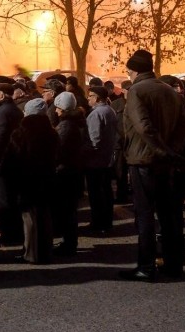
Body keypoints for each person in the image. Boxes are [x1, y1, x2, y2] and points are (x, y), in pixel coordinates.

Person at [120, 49, 185, 281]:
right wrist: (173, 150)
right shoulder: (170, 91)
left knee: (145, 215)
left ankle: (146, 266)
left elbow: (143, 127)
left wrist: (163, 151)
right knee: (169, 213)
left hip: (144, 161)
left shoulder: (136, 92)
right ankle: (173, 264)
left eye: (128, 71)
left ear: (133, 70)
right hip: (166, 162)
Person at [1, 99, 58, 264]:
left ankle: (31, 253)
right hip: (46, 178)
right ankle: (46, 251)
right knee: (45, 215)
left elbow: (11, 158)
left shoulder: (21, 132)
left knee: (29, 217)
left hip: (26, 179)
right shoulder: (51, 132)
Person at [52, 92, 89, 256]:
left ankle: (69, 244)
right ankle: (69, 242)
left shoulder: (66, 126)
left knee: (67, 211)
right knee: (69, 210)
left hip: (66, 172)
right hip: (73, 171)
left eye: (58, 108)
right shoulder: (75, 122)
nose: (55, 111)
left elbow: (59, 150)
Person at [0, 82, 24, 245]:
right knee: (13, 198)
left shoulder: (2, 111)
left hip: (3, 162)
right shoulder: (15, 109)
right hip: (14, 159)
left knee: (4, 200)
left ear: (2, 95)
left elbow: (1, 135)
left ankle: (9, 235)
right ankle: (16, 232)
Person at [85, 86, 118, 232]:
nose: (88, 99)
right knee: (106, 192)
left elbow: (94, 140)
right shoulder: (110, 110)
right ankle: (106, 222)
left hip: (96, 161)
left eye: (90, 96)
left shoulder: (96, 114)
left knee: (96, 194)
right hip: (107, 158)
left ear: (97, 98)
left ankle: (98, 224)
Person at [110, 80, 133, 204]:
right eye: (128, 89)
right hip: (119, 143)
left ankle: (133, 194)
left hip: (133, 143)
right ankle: (122, 195)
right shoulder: (115, 104)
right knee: (120, 171)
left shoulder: (136, 103)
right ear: (123, 90)